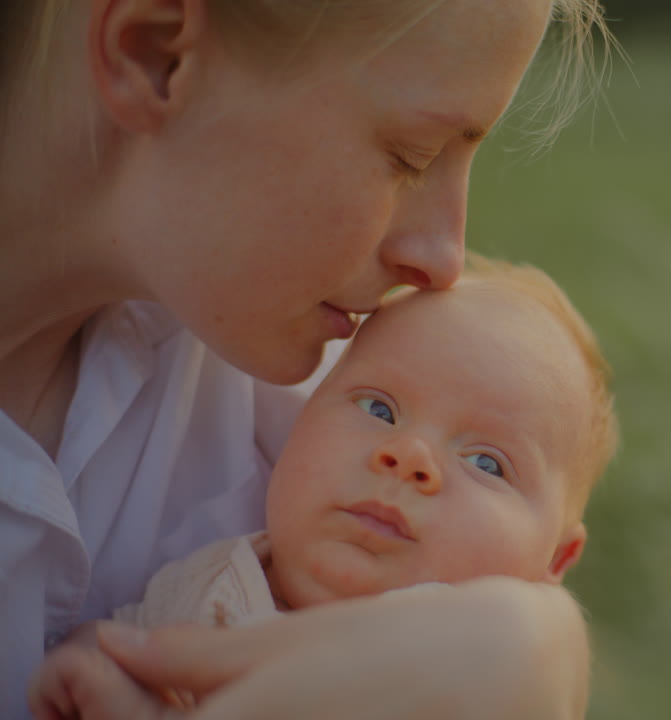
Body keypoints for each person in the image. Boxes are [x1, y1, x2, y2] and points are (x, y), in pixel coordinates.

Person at [0, 0, 612, 717]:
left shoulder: (283, 373)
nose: (445, 260)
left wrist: (538, 644)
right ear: (155, 54)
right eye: (409, 157)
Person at [28, 259, 620, 719]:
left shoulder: (466, 678)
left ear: (555, 562)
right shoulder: (208, 578)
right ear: (299, 420)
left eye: (488, 464)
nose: (409, 457)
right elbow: (126, 640)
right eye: (378, 408)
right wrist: (95, 665)